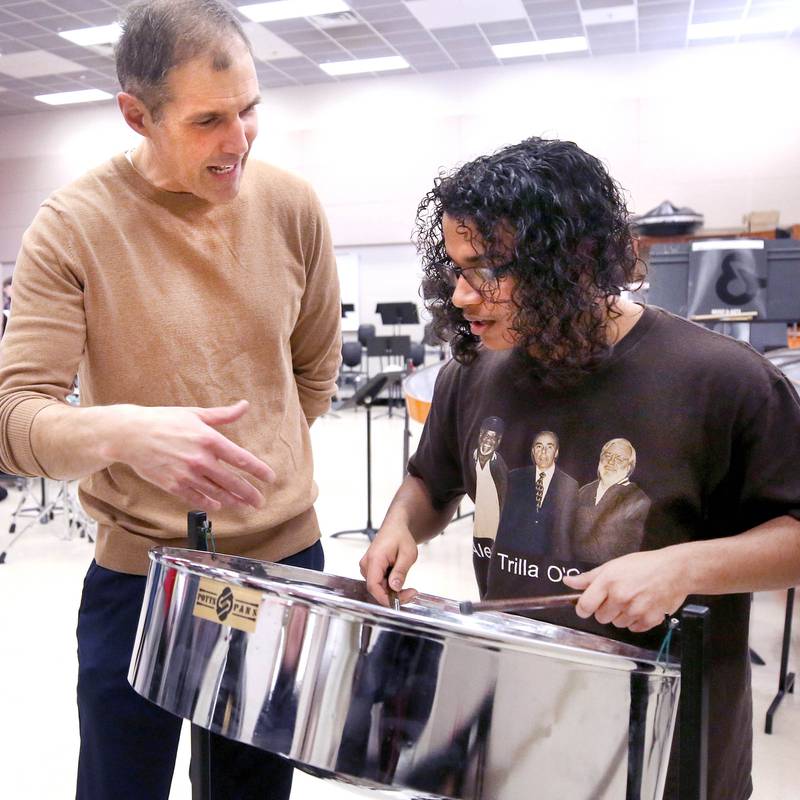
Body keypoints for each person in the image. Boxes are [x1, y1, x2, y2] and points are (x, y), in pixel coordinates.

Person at [359, 136, 800, 800]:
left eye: (485, 269)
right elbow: (432, 480)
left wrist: (682, 568)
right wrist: (400, 526)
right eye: (453, 267)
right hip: (515, 726)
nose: (461, 295)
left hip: (668, 747)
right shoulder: (472, 372)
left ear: (575, 259)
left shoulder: (724, 381)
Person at [0, 1, 341, 798]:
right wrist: (125, 435)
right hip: (141, 577)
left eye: (251, 109)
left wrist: (250, 476)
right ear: (136, 115)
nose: (239, 140)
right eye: (208, 120)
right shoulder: (72, 225)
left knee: (253, 790)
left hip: (280, 572)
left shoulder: (291, 207)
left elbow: (311, 377)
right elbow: (15, 422)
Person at [491, 429, 577, 577]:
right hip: (517, 563)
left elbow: (565, 532)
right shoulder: (515, 478)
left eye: (549, 447)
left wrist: (563, 569)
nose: (543, 452)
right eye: (539, 446)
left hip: (549, 566)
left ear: (556, 452)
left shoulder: (569, 485)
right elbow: (506, 523)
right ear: (533, 451)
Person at [573, 437, 651, 562]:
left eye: (619, 459)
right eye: (607, 455)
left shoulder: (639, 500)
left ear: (629, 467)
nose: (611, 461)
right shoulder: (584, 491)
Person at [470, 416, 507, 593]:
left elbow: (505, 492)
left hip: (495, 518)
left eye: (493, 438)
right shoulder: (474, 455)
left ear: (497, 442)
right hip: (481, 519)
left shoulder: (497, 463)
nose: (488, 441)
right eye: (486, 436)